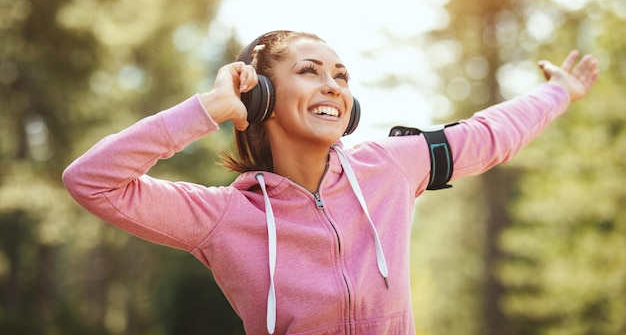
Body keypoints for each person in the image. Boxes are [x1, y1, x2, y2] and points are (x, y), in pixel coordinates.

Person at [62, 30, 599, 335]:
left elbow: (489, 134)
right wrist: (206, 110)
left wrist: (559, 94)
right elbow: (91, 182)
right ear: (261, 98)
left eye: (341, 77)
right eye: (310, 71)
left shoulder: (389, 168)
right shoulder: (224, 218)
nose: (333, 87)